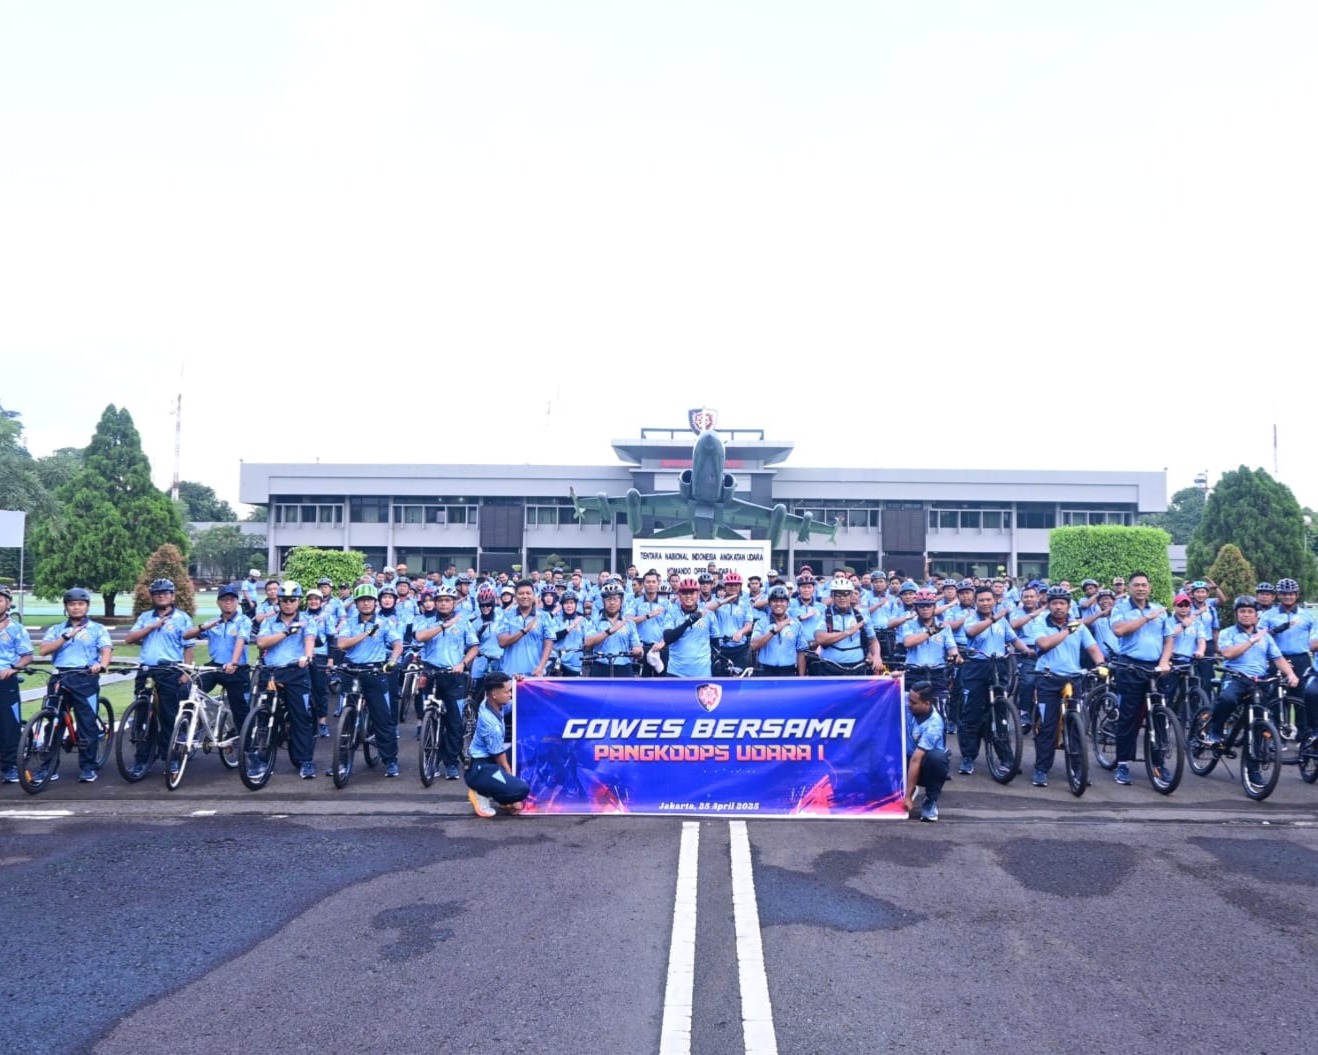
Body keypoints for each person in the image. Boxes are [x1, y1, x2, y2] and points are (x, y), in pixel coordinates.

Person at [1029, 586, 1106, 787]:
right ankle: (1041, 769)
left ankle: (1078, 769)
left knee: (1076, 727)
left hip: (1074, 679)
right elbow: (1044, 644)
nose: (1058, 607)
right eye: (1054, 603)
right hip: (1047, 679)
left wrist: (1100, 664)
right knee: (1048, 727)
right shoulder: (1040, 623)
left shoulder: (1078, 626)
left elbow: (1093, 648)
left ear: (1068, 606)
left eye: (1062, 603)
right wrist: (1066, 631)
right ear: (1048, 605)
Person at [36, 587, 114, 783]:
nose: (76, 608)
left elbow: (106, 649)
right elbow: (44, 650)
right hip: (60, 677)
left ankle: (88, 766)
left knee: (87, 723)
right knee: (53, 723)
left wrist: (102, 665)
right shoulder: (56, 629)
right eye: (72, 604)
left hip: (85, 677)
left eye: (80, 604)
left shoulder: (97, 628)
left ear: (87, 606)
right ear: (66, 607)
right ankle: (48, 767)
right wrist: (65, 637)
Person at [1203, 596, 1300, 748]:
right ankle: (1215, 731)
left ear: (1256, 615)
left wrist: (1291, 674)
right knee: (1227, 699)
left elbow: (1278, 658)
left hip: (1259, 681)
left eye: (1250, 611)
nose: (1246, 614)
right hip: (1235, 677)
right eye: (1242, 611)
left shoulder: (1265, 636)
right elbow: (1228, 654)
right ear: (1236, 614)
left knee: (1261, 719)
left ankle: (1254, 765)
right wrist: (1252, 641)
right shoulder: (1227, 633)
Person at [123, 578, 195, 780]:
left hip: (170, 671)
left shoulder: (182, 618)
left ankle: (170, 756)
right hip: (147, 670)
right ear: (152, 597)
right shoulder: (146, 617)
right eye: (157, 593)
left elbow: (189, 647)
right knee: (142, 715)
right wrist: (152, 627)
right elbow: (130, 638)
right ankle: (142, 758)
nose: (161, 596)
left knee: (168, 716)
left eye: (165, 593)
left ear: (172, 596)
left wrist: (185, 672)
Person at [336, 583, 405, 778]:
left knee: (383, 719)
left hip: (375, 671)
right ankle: (340, 760)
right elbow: (341, 644)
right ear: (356, 603)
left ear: (375, 603)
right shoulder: (349, 623)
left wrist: (392, 660)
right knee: (344, 717)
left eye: (369, 600)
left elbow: (397, 644)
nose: (366, 603)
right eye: (362, 600)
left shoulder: (385, 622)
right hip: (351, 671)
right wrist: (366, 633)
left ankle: (390, 760)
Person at [958, 586, 1029, 774]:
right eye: (981, 600)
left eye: (989, 600)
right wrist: (993, 619)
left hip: (999, 666)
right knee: (971, 714)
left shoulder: (1002, 622)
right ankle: (968, 758)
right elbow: (972, 632)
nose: (985, 603)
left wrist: (1026, 650)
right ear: (975, 602)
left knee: (1000, 714)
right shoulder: (971, 619)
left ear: (994, 601)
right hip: (976, 667)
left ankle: (1006, 758)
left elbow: (1014, 640)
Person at [1109, 571, 1169, 787]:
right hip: (1130, 666)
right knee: (1129, 717)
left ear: (1149, 588)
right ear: (1130, 588)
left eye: (1144, 584)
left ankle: (1159, 763)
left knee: (1159, 717)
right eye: (1137, 585)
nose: (1141, 588)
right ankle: (1123, 764)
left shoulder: (1159, 609)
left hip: (1155, 669)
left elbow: (1168, 638)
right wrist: (1145, 618)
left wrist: (1165, 661)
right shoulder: (1121, 608)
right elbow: (1119, 630)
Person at [253, 581, 319, 779]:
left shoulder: (308, 620)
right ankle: (261, 758)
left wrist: (307, 657)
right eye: (284, 600)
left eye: (293, 600)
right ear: (279, 601)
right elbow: (261, 642)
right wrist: (286, 632)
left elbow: (309, 640)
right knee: (263, 717)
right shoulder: (269, 622)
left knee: (300, 717)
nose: (288, 604)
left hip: (295, 672)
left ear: (299, 601)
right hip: (271, 672)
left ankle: (305, 761)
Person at [413, 584, 478, 779]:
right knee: (429, 716)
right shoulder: (426, 621)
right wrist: (442, 626)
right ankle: (431, 759)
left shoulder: (464, 622)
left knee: (454, 723)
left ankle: (451, 762)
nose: (443, 604)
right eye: (440, 600)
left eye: (447, 600)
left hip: (454, 676)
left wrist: (463, 664)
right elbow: (419, 636)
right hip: (431, 673)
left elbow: (474, 646)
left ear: (453, 602)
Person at [184, 582, 253, 736]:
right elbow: (187, 635)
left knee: (240, 710)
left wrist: (233, 663)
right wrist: (205, 626)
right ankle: (196, 725)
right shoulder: (213, 621)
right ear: (218, 602)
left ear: (237, 602)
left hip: (237, 669)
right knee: (188, 690)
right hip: (215, 667)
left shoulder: (244, 621)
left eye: (232, 599)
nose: (228, 602)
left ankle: (248, 750)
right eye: (224, 599)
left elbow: (240, 641)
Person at [463, 671, 530, 817]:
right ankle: (481, 792)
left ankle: (501, 790)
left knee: (525, 750)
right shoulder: (491, 724)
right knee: (521, 790)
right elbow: (500, 758)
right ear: (494, 694)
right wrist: (512, 788)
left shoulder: (489, 703)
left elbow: (514, 704)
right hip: (481, 768)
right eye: (507, 692)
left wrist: (520, 684)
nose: (511, 695)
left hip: (490, 760)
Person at [0, 584, 36, 784]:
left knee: (9, 725)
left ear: (8, 603)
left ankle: (11, 766)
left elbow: (27, 656)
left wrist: (13, 668)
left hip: (5, 680)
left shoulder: (16, 629)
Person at [814, 576, 880, 674]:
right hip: (829, 667)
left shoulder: (861, 614)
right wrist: (848, 632)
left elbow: (873, 641)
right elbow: (820, 638)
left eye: (846, 594)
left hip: (857, 667)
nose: (842, 597)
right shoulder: (824, 613)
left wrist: (877, 656)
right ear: (832, 596)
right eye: (838, 594)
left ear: (851, 596)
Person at [903, 681, 948, 821]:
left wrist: (908, 797)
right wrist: (891, 677)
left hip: (923, 765)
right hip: (903, 757)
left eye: (913, 702)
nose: (908, 703)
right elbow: (887, 691)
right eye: (909, 699)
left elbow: (916, 760)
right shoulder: (910, 699)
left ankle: (930, 800)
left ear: (927, 704)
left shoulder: (934, 724)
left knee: (937, 758)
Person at [653, 577, 713, 678]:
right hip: (676, 672)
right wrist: (688, 622)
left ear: (698, 595)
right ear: (679, 596)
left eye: (692, 593)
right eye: (684, 593)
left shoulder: (708, 614)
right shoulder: (672, 613)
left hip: (702, 672)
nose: (688, 596)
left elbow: (715, 641)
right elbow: (667, 637)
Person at [496, 580, 555, 676]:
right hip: (511, 674)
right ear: (515, 596)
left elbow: (548, 644)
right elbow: (502, 642)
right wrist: (524, 630)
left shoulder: (544, 616)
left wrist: (541, 667)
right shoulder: (506, 615)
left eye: (528, 593)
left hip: (535, 674)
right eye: (521, 593)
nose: (525, 596)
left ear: (534, 595)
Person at [585, 582, 642, 677]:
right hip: (600, 666)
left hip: (623, 667)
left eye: (615, 599)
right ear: (603, 601)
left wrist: (638, 651)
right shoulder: (595, 621)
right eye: (608, 599)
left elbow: (637, 647)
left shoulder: (629, 623)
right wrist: (610, 631)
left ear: (621, 601)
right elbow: (588, 642)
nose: (612, 603)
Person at [707, 570, 754, 670]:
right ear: (724, 587)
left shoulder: (745, 604)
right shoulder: (717, 603)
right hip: (720, 648)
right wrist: (724, 601)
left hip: (740, 648)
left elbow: (749, 625)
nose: (733, 587)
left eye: (736, 585)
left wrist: (740, 632)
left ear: (740, 587)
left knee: (738, 676)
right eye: (730, 585)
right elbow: (706, 610)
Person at [750, 585, 800, 675]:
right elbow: (754, 645)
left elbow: (801, 652)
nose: (778, 604)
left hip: (788, 671)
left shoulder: (796, 624)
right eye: (775, 601)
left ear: (788, 604)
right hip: (765, 671)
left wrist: (801, 677)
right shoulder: (761, 623)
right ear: (769, 604)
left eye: (782, 601)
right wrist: (775, 630)